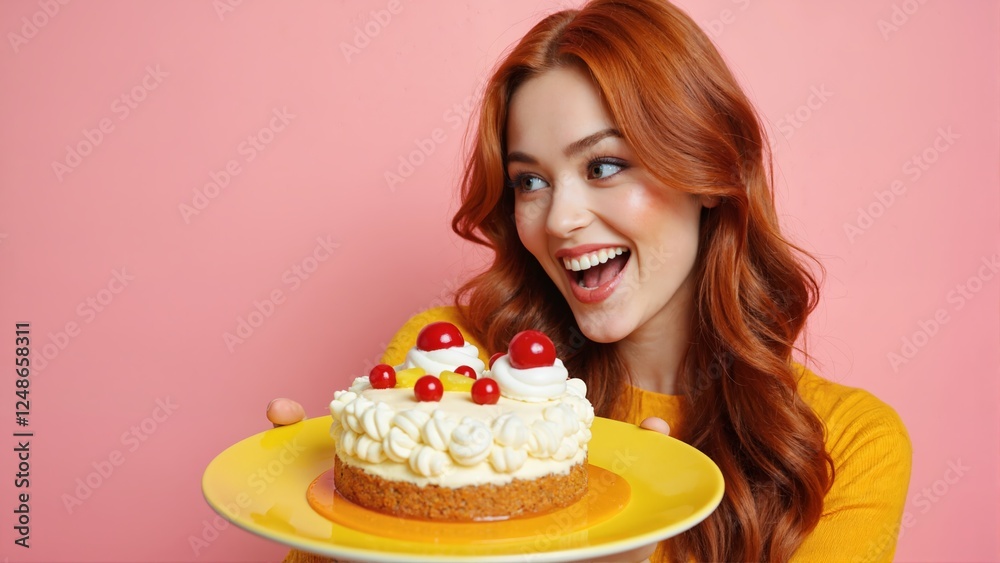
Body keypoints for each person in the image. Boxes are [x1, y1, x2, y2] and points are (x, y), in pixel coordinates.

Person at [269, 0, 912, 561]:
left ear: (708, 175)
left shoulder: (851, 445)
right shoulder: (449, 369)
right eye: (531, 181)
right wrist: (328, 531)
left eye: (603, 166)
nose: (559, 219)